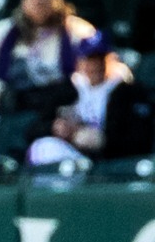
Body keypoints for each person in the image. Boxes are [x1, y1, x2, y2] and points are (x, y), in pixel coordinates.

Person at [25, 31, 154, 166]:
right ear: (79, 61)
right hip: (72, 157)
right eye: (89, 59)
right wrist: (53, 127)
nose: (94, 65)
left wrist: (104, 141)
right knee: (42, 147)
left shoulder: (129, 92)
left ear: (110, 59)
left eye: (99, 59)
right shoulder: (67, 90)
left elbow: (141, 141)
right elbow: (32, 130)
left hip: (109, 161)